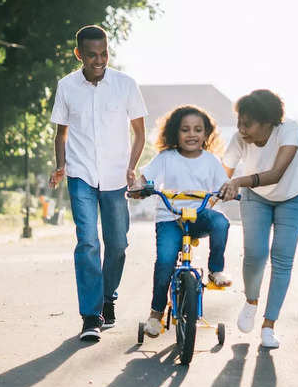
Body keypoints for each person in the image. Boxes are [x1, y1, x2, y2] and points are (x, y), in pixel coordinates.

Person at [49, 25, 147, 342]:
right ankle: (91, 316)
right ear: (79, 54)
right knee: (88, 242)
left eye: (104, 53)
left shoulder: (125, 85)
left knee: (117, 245)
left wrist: (132, 168)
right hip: (80, 175)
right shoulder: (66, 86)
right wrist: (61, 166)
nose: (99, 60)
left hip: (117, 176)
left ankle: (108, 299)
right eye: (92, 55)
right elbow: (61, 133)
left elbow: (140, 133)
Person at [219, 89, 298, 349]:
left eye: (247, 123)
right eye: (239, 122)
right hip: (256, 198)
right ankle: (251, 301)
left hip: (293, 195)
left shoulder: (288, 130)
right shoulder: (239, 139)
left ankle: (269, 326)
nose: (241, 128)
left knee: (282, 257)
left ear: (268, 121)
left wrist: (239, 181)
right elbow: (222, 173)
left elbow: (277, 173)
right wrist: (215, 193)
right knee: (255, 254)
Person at [131, 105, 232, 338]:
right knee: (166, 261)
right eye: (185, 129)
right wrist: (139, 186)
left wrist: (228, 191)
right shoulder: (166, 158)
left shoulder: (211, 161)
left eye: (198, 129)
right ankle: (156, 314)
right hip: (170, 217)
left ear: (206, 134)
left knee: (221, 223)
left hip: (199, 216)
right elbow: (145, 178)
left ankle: (216, 270)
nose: (192, 134)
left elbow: (223, 186)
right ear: (175, 133)